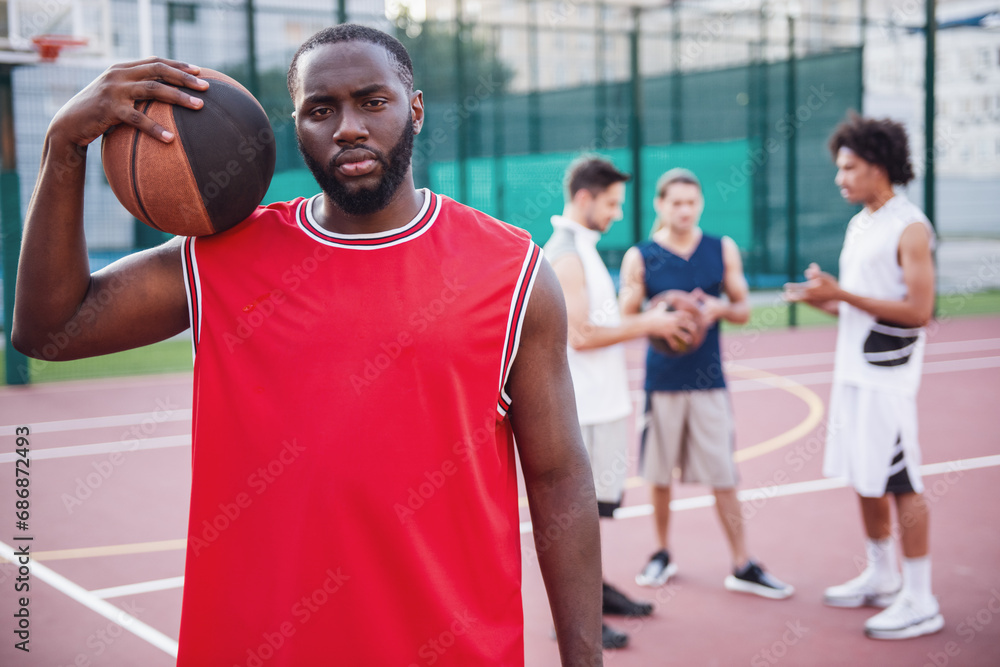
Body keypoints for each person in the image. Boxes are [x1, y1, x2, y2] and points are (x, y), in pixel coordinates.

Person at [12, 25, 603, 666]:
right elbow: (49, 330)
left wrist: (585, 659)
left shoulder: (512, 272)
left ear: (416, 109)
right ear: (295, 126)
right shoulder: (226, 258)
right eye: (321, 110)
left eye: (372, 101)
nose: (348, 127)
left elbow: (558, 477)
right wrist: (63, 146)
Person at [784, 113, 942, 640]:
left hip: (887, 378)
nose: (840, 178)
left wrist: (844, 295)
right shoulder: (861, 223)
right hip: (853, 373)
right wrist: (825, 297)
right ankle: (882, 574)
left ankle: (921, 598)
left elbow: (920, 310)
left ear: (878, 166)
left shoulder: (910, 226)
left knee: (901, 482)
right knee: (865, 474)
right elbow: (858, 309)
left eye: (848, 167)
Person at [619, 168, 794, 600]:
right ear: (660, 204)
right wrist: (659, 316)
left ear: (699, 205)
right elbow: (625, 316)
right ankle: (661, 552)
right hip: (662, 381)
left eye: (691, 203)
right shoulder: (641, 256)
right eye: (675, 202)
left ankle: (741, 563)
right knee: (658, 476)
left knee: (723, 475)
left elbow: (742, 309)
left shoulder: (721, 248)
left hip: (709, 379)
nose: (684, 210)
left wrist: (714, 309)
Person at [544, 156, 694, 649]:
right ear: (585, 198)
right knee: (575, 523)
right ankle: (575, 620)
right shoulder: (565, 252)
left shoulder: (585, 248)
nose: (615, 214)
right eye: (610, 204)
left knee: (599, 515)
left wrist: (643, 312)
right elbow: (583, 335)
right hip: (581, 411)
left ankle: (598, 592)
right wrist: (652, 325)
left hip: (604, 407)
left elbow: (602, 319)